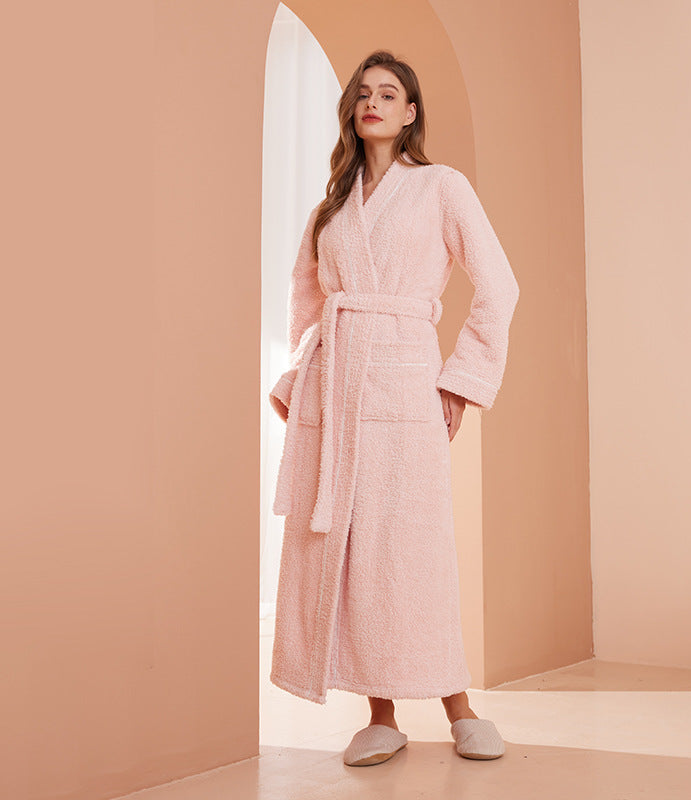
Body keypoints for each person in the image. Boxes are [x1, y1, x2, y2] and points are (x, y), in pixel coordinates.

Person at [268, 49, 520, 766]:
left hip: (405, 382)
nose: (373, 102)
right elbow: (307, 303)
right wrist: (298, 380)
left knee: (411, 549)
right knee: (350, 551)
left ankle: (460, 708)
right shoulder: (332, 209)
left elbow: (499, 286)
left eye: (389, 93)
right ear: (352, 110)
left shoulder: (442, 187)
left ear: (410, 113)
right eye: (363, 93)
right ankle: (381, 715)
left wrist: (459, 382)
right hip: (336, 387)